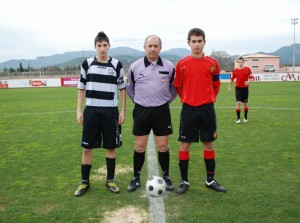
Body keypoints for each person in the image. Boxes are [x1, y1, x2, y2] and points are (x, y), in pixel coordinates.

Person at [174, 28, 226, 194]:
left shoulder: (213, 64)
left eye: (199, 41)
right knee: (184, 145)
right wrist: (188, 99)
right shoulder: (182, 64)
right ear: (188, 43)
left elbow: (216, 85)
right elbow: (178, 86)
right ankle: (184, 181)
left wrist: (206, 98)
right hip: (188, 109)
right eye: (193, 41)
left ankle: (210, 180)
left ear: (204, 42)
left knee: (209, 144)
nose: (196, 44)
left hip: (207, 109)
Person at [75, 31, 126, 196]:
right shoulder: (87, 64)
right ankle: (84, 182)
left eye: (105, 45)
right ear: (95, 46)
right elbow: (81, 87)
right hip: (91, 110)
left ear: (109, 46)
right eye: (99, 45)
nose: (102, 48)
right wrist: (79, 110)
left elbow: (122, 89)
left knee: (111, 146)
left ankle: (110, 180)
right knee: (87, 148)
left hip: (111, 111)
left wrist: (123, 110)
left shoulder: (117, 65)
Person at [126, 35, 177, 192]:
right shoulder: (135, 66)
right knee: (139, 146)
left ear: (160, 48)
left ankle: (166, 176)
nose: (153, 48)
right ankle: (136, 177)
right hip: (141, 110)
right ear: (145, 47)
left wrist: (166, 100)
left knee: (163, 146)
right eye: (150, 46)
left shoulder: (169, 66)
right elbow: (130, 87)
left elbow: (174, 87)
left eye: (156, 46)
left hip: (161, 110)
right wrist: (140, 101)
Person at [228, 56, 252, 123]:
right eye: (239, 62)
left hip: (245, 89)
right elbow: (232, 79)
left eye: (242, 62)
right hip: (238, 88)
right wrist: (229, 87)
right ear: (237, 62)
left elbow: (251, 76)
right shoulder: (235, 70)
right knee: (238, 103)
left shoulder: (247, 69)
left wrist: (248, 81)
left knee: (245, 103)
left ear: (244, 62)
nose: (240, 63)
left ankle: (245, 116)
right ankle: (238, 118)